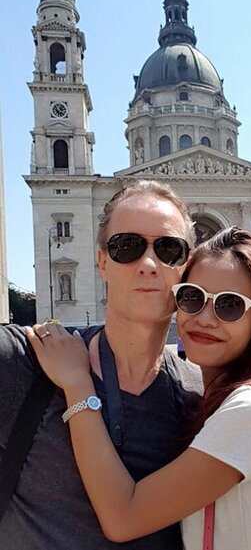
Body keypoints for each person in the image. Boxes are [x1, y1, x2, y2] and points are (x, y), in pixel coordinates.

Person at [26, 227, 251, 549]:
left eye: (229, 305)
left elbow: (123, 518)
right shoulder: (233, 398)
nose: (205, 318)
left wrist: (76, 384)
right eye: (192, 297)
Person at [0, 180, 202, 550]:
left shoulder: (199, 397)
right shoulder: (24, 360)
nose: (148, 264)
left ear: (186, 267)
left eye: (169, 249)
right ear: (102, 262)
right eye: (127, 246)